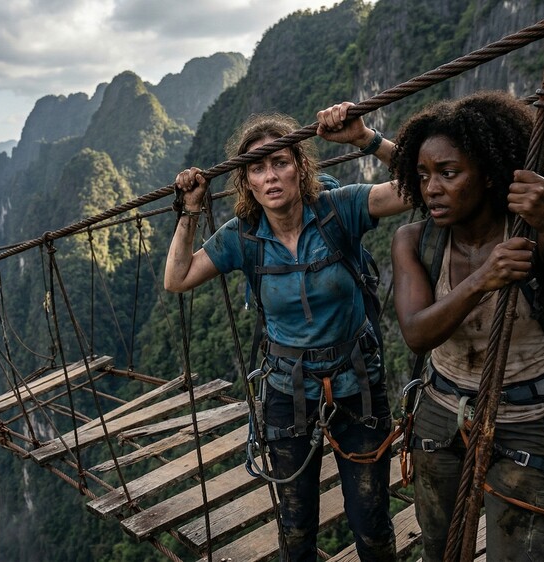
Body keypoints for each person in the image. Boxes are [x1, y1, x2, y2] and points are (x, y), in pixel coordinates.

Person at [164, 103, 408, 562]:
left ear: (300, 167)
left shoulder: (341, 209)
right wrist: (190, 211)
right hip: (286, 392)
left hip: (358, 387)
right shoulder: (244, 236)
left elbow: (422, 187)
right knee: (296, 530)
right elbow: (176, 278)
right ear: (247, 183)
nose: (271, 176)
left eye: (280, 161)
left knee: (371, 523)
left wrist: (365, 139)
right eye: (257, 167)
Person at [389, 90, 544, 561]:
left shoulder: (537, 234)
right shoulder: (414, 239)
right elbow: (416, 331)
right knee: (439, 546)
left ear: (492, 175)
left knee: (517, 556)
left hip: (530, 418)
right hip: (439, 407)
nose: (431, 188)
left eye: (448, 173)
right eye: (423, 175)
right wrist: (484, 279)